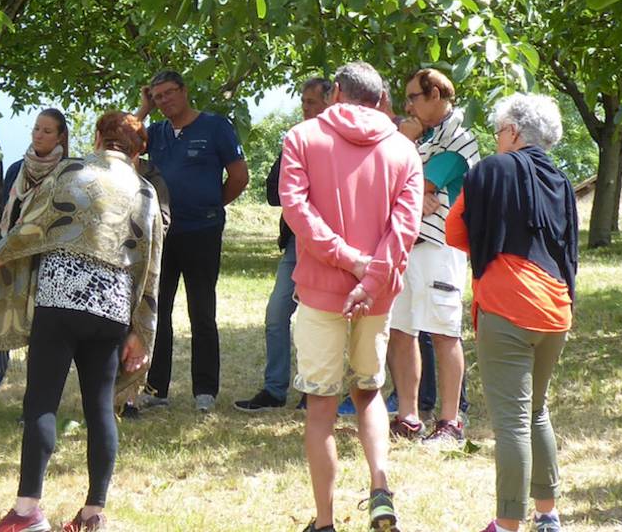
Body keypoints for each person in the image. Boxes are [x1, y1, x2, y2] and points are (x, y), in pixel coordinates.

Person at [0, 111, 166, 532]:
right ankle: (94, 513)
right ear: (138, 149)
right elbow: (152, 267)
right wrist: (140, 333)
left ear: (97, 138)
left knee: (41, 402)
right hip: (111, 310)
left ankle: (27, 511)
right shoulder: (145, 192)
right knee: (100, 408)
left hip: (60, 301)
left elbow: (29, 228)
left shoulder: (72, 170)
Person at [279, 62, 422, 532]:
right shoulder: (404, 150)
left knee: (321, 408)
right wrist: (371, 277)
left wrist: (349, 261)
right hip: (376, 297)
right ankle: (380, 489)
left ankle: (324, 521)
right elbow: (405, 228)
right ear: (381, 99)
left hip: (322, 290)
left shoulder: (301, 137)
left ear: (336, 91)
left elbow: (296, 211)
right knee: (369, 391)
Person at [445, 93, 577, 532]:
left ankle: (505, 524)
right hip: (556, 308)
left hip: (508, 305)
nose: (497, 138)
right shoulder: (560, 179)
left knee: (512, 423)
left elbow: (454, 230)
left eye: (500, 130)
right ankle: (548, 514)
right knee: (537, 411)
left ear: (514, 132)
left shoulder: (490, 170)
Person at [136, 70, 248, 413]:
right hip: (163, 235)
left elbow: (240, 177)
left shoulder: (216, 126)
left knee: (202, 311)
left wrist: (211, 205)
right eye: (157, 97)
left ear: (184, 91)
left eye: (169, 93)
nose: (164, 101)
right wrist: (141, 110)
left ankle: (205, 391)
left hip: (203, 231)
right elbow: (119, 141)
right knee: (158, 311)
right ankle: (156, 389)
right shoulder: (155, 133)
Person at [0, 109, 70, 426]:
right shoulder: (18, 169)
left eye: (47, 131)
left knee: (42, 336)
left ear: (61, 136)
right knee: (0, 329)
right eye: (36, 129)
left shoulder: (67, 172)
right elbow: (7, 218)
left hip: (50, 263)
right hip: (11, 261)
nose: (39, 135)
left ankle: (34, 407)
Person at [387, 67, 478, 444]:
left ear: (436, 96)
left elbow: (414, 182)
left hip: (441, 249)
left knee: (443, 332)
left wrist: (404, 146)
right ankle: (408, 417)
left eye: (414, 97)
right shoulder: (424, 136)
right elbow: (396, 182)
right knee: (401, 330)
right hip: (407, 245)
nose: (407, 105)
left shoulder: (458, 139)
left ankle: (449, 422)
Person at [236, 78, 333, 412]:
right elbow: (273, 192)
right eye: (303, 102)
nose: (305, 108)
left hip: (329, 245)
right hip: (296, 243)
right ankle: (275, 390)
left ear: (330, 102)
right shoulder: (296, 141)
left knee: (317, 320)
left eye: (311, 102)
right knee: (277, 314)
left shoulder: (341, 144)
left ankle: (314, 389)